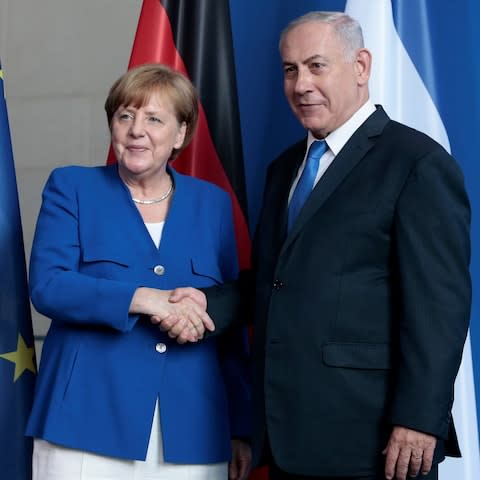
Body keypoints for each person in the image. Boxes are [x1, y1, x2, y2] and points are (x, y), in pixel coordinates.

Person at [164, 11, 472, 480]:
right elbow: (276, 282)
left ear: (361, 66)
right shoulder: (283, 168)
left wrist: (418, 418)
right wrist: (207, 302)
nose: (301, 84)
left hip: (375, 438)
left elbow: (440, 307)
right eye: (290, 70)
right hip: (289, 432)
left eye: (316, 66)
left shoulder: (417, 162)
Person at [26, 63, 251, 480]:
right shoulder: (73, 187)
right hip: (85, 418)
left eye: (153, 119)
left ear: (181, 133)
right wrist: (143, 298)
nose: (136, 130)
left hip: (194, 425)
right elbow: (48, 285)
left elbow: (228, 320)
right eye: (125, 115)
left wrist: (239, 425)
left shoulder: (213, 204)